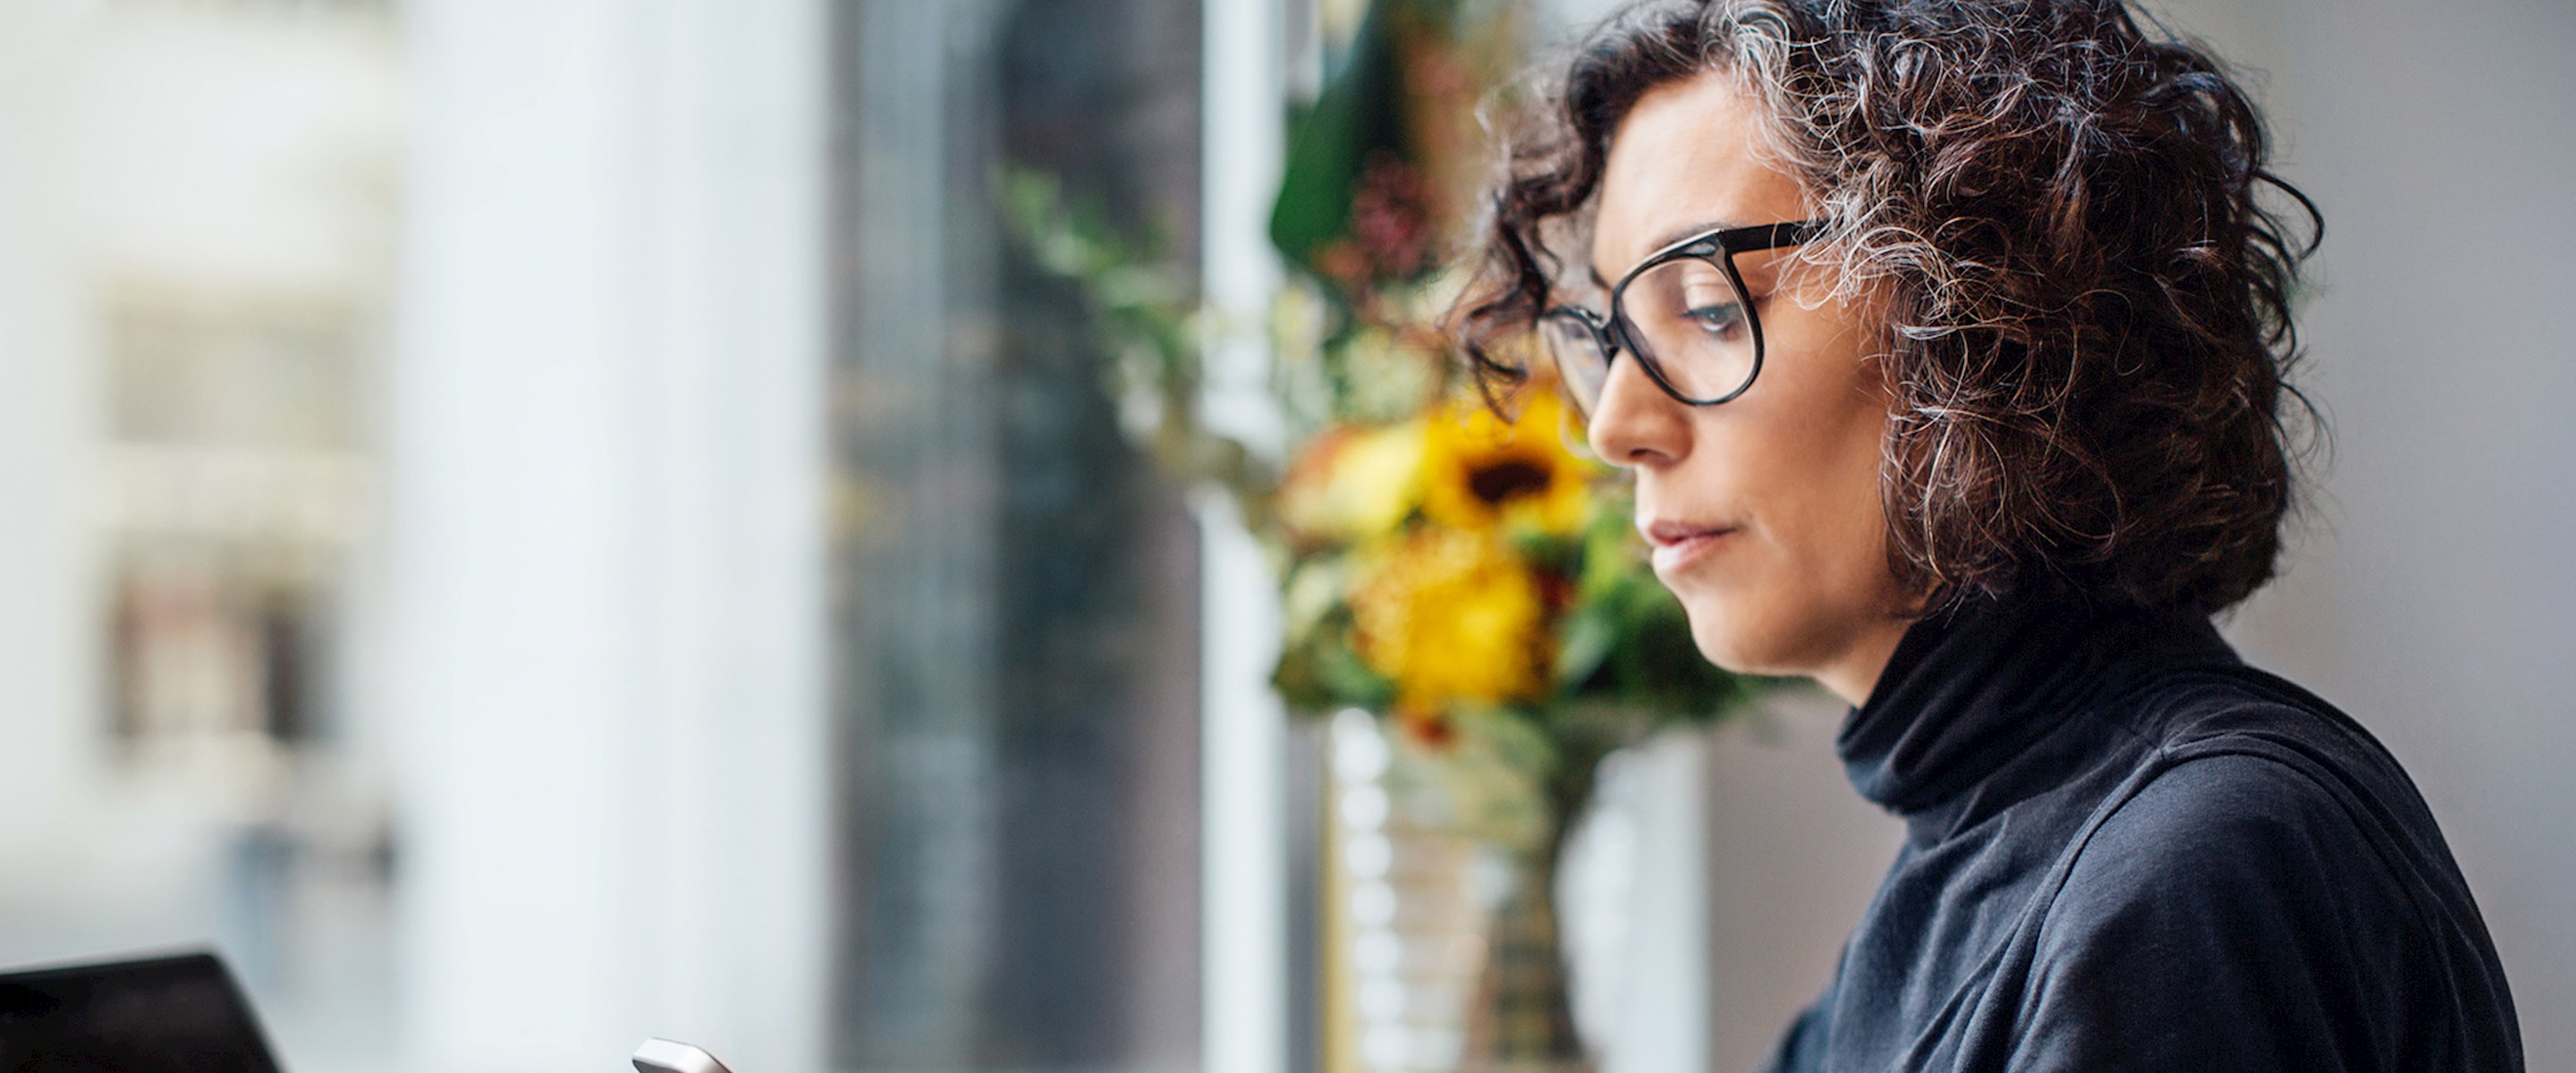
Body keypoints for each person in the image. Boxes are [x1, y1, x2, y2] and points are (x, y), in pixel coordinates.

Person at [1448, 1, 2523, 1069]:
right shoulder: (1972, 890)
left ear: (1979, 308)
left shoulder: (2192, 871)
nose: (1614, 425)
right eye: (1610, 336)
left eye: (1711, 308)